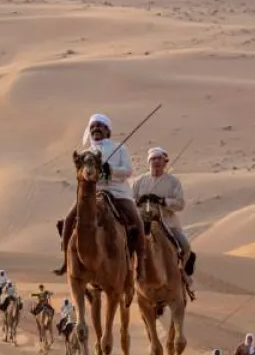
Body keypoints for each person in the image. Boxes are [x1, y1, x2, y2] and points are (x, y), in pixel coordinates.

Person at [54, 113, 146, 277]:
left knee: (137, 222)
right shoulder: (86, 152)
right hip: (92, 194)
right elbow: (80, 174)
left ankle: (140, 264)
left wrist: (110, 170)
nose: (96, 129)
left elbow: (128, 171)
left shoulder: (120, 149)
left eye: (99, 126)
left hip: (118, 193)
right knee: (68, 220)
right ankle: (66, 261)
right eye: (92, 127)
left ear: (107, 130)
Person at [132, 146, 195, 290]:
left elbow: (180, 203)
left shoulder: (173, 181)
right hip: (143, 222)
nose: (156, 162)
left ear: (164, 162)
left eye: (159, 158)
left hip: (168, 223)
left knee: (185, 246)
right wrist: (138, 201)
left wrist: (163, 201)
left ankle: (183, 273)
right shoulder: (139, 181)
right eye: (153, 159)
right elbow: (131, 200)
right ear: (149, 162)